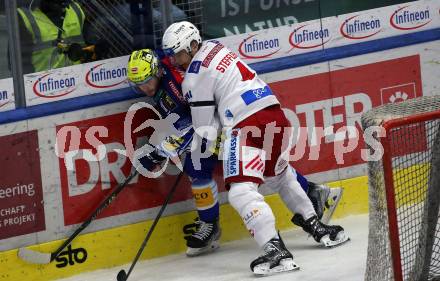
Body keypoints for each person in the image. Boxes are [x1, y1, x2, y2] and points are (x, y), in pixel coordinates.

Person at [162, 21, 349, 275]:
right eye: (171, 55)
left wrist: (181, 139)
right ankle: (318, 228)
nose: (174, 60)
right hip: (274, 114)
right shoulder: (217, 48)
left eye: (178, 53)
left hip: (246, 123)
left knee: (240, 192)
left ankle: (275, 251)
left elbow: (207, 129)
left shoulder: (193, 79)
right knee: (280, 175)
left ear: (193, 45)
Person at [127, 48, 221, 257]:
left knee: (257, 164)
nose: (144, 87)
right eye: (138, 84)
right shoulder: (160, 74)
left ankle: (306, 193)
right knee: (196, 168)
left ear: (157, 72)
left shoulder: (175, 87)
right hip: (208, 125)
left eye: (147, 80)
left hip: (223, 120)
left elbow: (195, 119)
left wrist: (161, 150)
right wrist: (158, 149)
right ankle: (210, 225)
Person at [16, 0, 106, 73]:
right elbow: (17, 65)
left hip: (78, 81)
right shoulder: (25, 18)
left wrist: (96, 50)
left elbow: (90, 46)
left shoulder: (76, 10)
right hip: (43, 86)